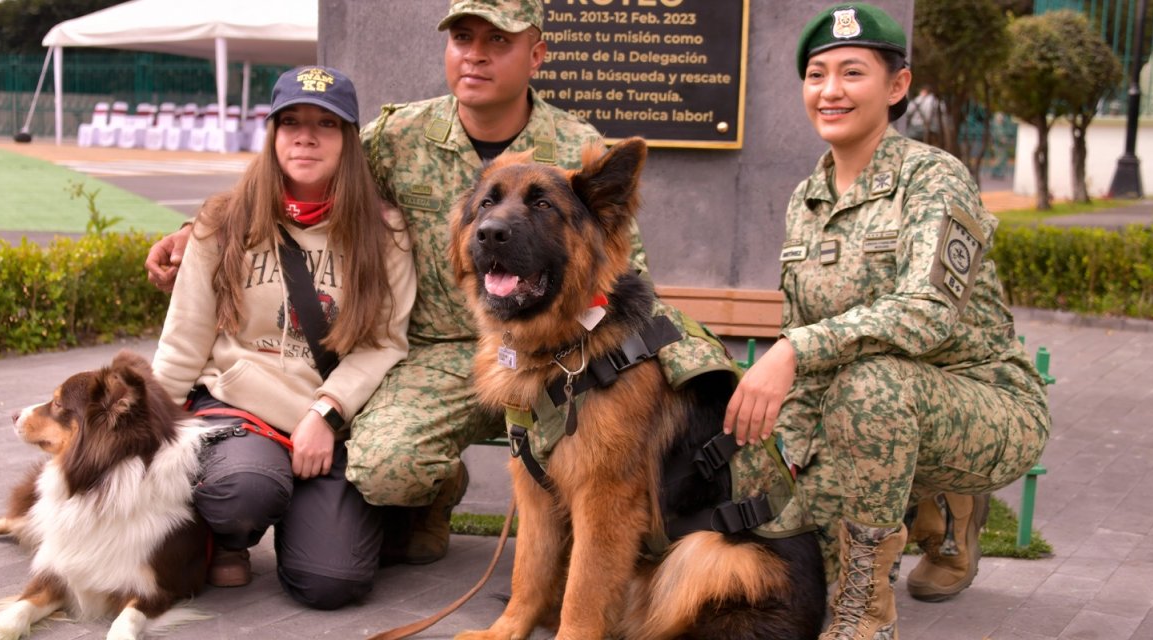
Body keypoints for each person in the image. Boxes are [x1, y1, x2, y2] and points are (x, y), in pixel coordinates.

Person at [147, 0, 733, 566]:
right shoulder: (397, 136)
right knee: (384, 466)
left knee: (600, 462)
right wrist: (195, 233)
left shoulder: (577, 151)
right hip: (437, 357)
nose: (475, 55)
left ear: (536, 55)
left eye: (497, 41)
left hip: (555, 356)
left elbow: (628, 278)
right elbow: (305, 176)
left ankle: (575, 549)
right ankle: (435, 490)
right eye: (462, 39)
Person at [721, 4, 1050, 639]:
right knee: (778, 542)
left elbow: (923, 316)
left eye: (852, 72)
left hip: (983, 402)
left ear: (896, 86)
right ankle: (916, 506)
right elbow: (811, 361)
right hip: (859, 416)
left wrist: (790, 351)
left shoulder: (935, 178)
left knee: (874, 382)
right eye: (817, 75)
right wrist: (783, 460)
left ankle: (866, 615)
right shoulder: (807, 198)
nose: (831, 91)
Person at [150, 65, 416, 609]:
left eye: (326, 123)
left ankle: (321, 517)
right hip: (238, 407)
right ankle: (229, 536)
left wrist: (326, 412)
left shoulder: (383, 232)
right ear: (272, 133)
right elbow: (185, 336)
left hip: (324, 424)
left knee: (332, 582)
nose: (306, 136)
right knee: (243, 491)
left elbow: (384, 343)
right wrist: (148, 430)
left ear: (349, 139)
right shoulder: (223, 221)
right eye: (290, 121)